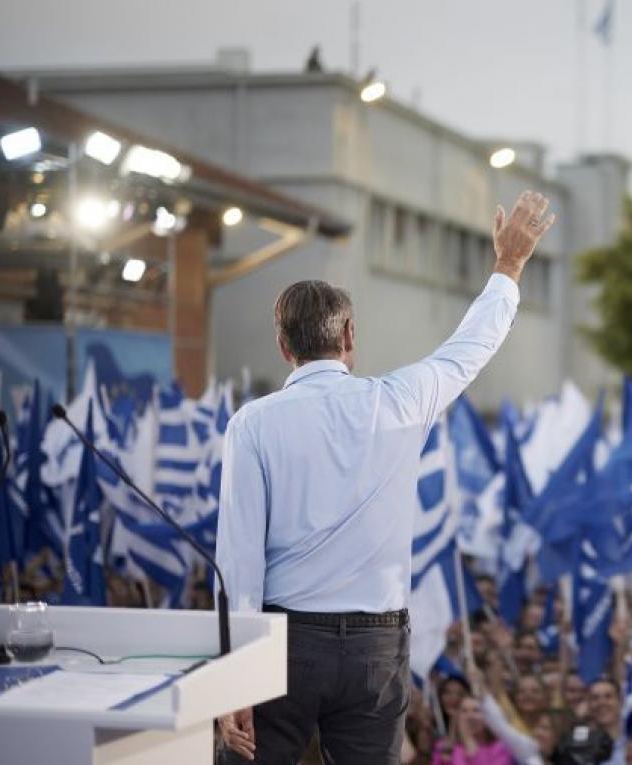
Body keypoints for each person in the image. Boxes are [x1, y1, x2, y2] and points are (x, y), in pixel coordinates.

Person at [214, 191, 556, 764]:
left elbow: (238, 560)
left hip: (283, 644)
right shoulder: (400, 402)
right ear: (349, 337)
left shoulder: (252, 423)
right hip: (376, 646)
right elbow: (470, 348)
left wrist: (233, 677)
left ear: (283, 346)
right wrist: (509, 265)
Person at [433, 696, 515, 765]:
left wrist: (468, 741)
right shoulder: (444, 747)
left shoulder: (500, 749)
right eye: (464, 711)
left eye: (476, 710)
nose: (470, 716)